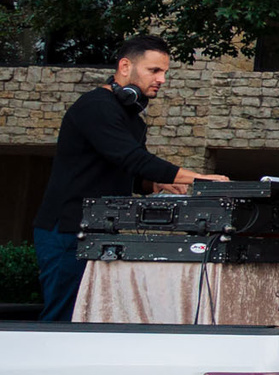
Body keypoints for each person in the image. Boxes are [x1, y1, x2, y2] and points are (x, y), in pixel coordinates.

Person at [30, 35, 207, 322]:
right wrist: (200, 178)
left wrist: (156, 184)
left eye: (165, 72)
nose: (161, 79)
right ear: (125, 66)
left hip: (101, 231)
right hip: (67, 231)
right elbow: (134, 159)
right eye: (154, 71)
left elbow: (128, 172)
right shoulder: (96, 106)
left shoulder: (133, 120)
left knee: (98, 318)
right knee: (64, 320)